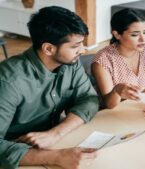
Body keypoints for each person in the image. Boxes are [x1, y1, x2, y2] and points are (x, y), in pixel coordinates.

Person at [0, 6, 99, 169]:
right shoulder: (8, 81)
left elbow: (88, 99)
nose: (83, 50)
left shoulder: (70, 64)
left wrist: (55, 133)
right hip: (16, 154)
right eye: (75, 46)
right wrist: (56, 157)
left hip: (53, 141)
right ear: (48, 48)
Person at [92, 9, 145, 115]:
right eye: (135, 35)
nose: (143, 39)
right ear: (117, 34)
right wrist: (117, 90)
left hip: (138, 107)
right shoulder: (102, 60)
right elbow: (109, 104)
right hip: (111, 113)